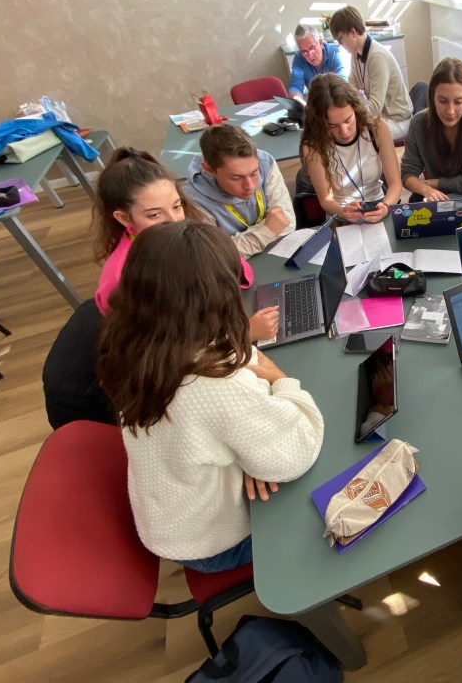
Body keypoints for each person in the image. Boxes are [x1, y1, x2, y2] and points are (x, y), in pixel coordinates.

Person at [96, 221, 324, 573]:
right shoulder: (214, 383)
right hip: (210, 543)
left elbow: (232, 379)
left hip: (174, 513)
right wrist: (281, 380)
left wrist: (247, 452)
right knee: (322, 505)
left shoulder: (133, 341)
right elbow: (296, 451)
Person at [92, 148, 278, 342]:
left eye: (176, 206)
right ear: (124, 218)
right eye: (154, 215)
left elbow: (237, 271)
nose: (174, 221)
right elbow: (162, 348)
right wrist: (243, 334)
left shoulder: (187, 235)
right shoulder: (121, 279)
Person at [301, 73, 402, 223]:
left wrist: (386, 206)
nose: (344, 132)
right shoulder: (313, 145)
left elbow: (395, 184)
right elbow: (326, 199)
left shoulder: (377, 128)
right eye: (332, 126)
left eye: (348, 120)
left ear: (355, 110)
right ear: (319, 123)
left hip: (378, 204)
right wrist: (341, 212)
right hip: (340, 210)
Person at [184, 124, 295, 259]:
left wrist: (237, 244)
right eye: (236, 178)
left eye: (254, 173)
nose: (250, 186)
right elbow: (214, 257)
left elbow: (286, 222)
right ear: (209, 170)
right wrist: (267, 231)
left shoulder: (265, 162)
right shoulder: (192, 200)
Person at [401, 57, 462, 201]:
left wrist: (433, 183)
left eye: (458, 102)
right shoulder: (418, 123)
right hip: (440, 197)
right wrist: (426, 189)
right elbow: (407, 173)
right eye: (443, 101)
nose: (450, 111)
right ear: (432, 96)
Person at [329, 5, 413, 140]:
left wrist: (350, 116)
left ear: (353, 32)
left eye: (340, 39)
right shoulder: (356, 53)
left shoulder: (377, 57)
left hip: (398, 121)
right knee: (341, 131)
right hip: (380, 118)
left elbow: (374, 108)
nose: (340, 44)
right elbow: (350, 90)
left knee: (356, 136)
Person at [287, 23, 347, 98]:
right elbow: (295, 86)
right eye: (304, 52)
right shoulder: (299, 58)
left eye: (312, 48)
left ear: (320, 43)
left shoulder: (334, 53)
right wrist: (297, 99)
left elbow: (342, 82)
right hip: (316, 101)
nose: (310, 55)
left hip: (336, 98)